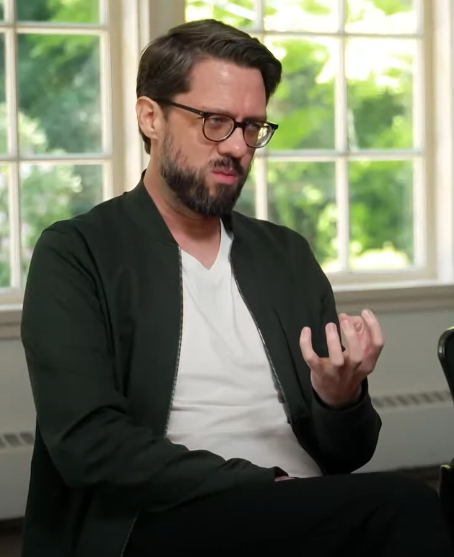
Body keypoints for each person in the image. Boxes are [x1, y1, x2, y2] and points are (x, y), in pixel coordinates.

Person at [20, 18, 451, 557]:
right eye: (215, 122)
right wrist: (259, 483)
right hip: (160, 516)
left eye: (252, 127)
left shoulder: (285, 255)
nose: (236, 146)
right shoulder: (77, 252)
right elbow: (88, 445)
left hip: (302, 508)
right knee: (405, 506)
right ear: (151, 116)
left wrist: (339, 399)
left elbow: (350, 453)